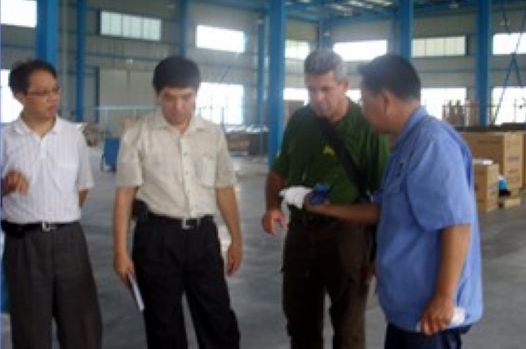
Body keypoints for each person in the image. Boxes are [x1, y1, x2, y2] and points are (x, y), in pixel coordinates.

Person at [306, 54, 483, 349]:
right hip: (408, 311)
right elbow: (384, 210)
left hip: (430, 319)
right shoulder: (405, 146)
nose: (363, 110)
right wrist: (329, 209)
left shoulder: (431, 144)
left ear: (385, 100)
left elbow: (457, 224)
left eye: (365, 101)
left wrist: (444, 296)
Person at [262, 49, 389, 349]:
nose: (317, 98)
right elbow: (278, 172)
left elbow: (384, 198)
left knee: (348, 329)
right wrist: (272, 207)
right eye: (311, 90)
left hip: (346, 236)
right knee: (300, 323)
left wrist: (379, 253)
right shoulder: (300, 121)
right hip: (300, 232)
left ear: (344, 86)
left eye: (325, 89)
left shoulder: (367, 127)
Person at [113, 55, 242, 349]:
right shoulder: (138, 135)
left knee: (218, 321)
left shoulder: (212, 134)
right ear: (156, 94)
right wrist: (120, 251)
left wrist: (236, 239)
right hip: (156, 240)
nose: (178, 106)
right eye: (169, 98)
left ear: (197, 94)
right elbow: (125, 195)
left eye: (186, 97)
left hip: (203, 238)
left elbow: (224, 188)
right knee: (163, 326)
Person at [1, 59, 102, 348]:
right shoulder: (5, 139)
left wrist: (60, 216)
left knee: (82, 327)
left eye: (56, 90)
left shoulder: (73, 136)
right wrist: (5, 186)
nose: (52, 98)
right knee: (30, 331)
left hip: (69, 241)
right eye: (42, 92)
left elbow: (82, 187)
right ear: (20, 96)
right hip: (24, 245)